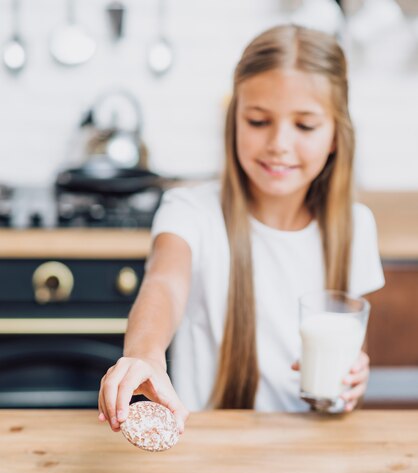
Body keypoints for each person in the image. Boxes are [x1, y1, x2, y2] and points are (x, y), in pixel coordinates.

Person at [98, 24, 384, 433]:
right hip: (212, 452)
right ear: (234, 121)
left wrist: (352, 380)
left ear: (336, 135)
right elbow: (164, 283)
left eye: (304, 126)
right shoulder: (191, 211)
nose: (279, 144)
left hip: (314, 450)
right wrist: (144, 354)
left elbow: (353, 355)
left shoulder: (356, 226)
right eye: (258, 121)